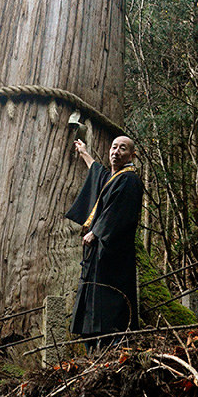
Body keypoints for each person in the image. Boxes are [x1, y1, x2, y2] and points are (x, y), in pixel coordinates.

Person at [66, 135, 143, 349]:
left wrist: (96, 232)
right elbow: (99, 174)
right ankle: (93, 348)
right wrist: (84, 152)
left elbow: (119, 212)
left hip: (114, 257)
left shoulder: (130, 180)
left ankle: (114, 347)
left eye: (123, 148)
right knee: (91, 301)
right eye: (114, 147)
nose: (116, 151)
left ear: (132, 155)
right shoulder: (114, 177)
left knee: (111, 303)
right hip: (98, 256)